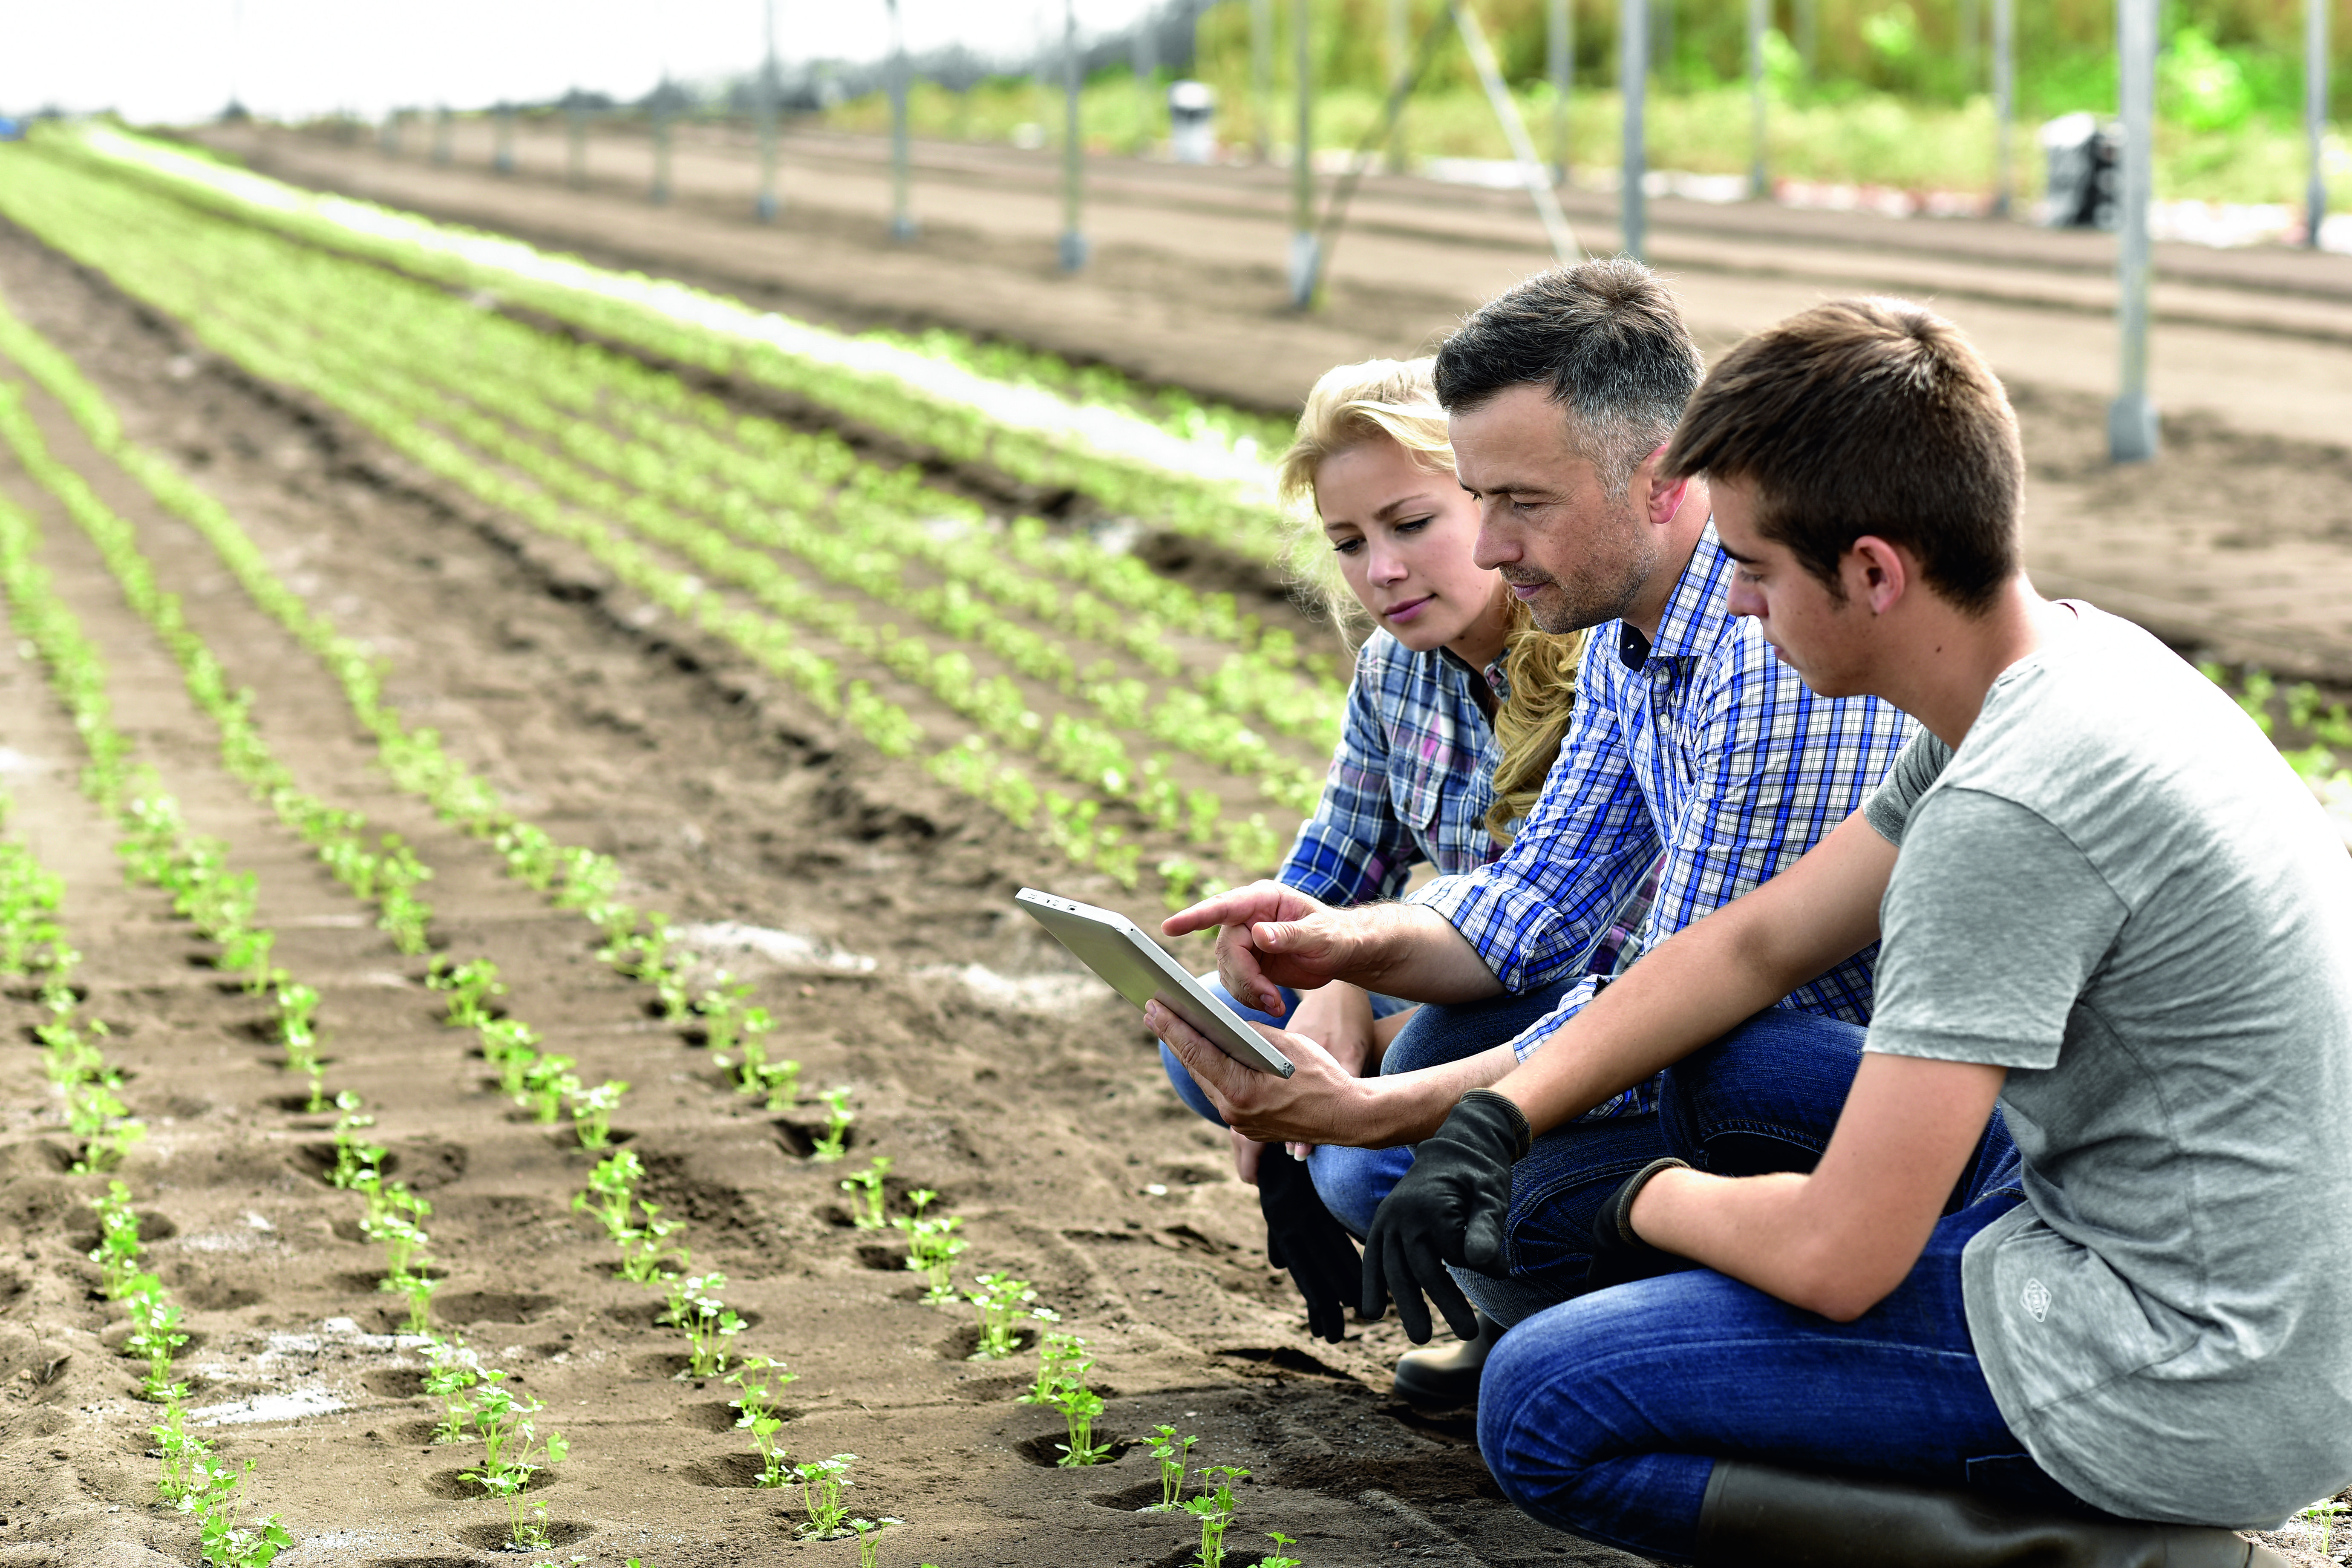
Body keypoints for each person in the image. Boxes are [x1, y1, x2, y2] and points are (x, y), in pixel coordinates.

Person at [1363, 297, 2350, 1566]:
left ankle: (2127, 1556)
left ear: (1875, 570)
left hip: (2192, 1366)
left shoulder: (2011, 810)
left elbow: (1838, 1258)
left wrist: (1629, 1206)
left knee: (1548, 1404)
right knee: (1732, 1063)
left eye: (1758, 571)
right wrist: (1504, 1115)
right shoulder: (2062, 673)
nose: (1731, 610)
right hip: (2242, 1274)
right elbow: (1757, 944)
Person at [1151, 259, 1933, 1404]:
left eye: (1514, 504)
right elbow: (1538, 901)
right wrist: (1340, 948)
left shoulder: (1762, 640)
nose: (1484, 549)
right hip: (1716, 1046)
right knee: (1411, 1112)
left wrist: (1404, 1114)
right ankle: (1589, 1324)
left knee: (1483, 1194)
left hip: (1854, 1083)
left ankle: (1746, 1357)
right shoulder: (1628, 625)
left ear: (1660, 479)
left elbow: (1685, 998)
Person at [1156, 356, 1617, 1347]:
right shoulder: (1393, 673)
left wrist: (1359, 1001)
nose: (1383, 571)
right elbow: (1326, 872)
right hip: (1462, 970)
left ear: (1493, 505)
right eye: (1350, 543)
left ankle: (1534, 1325)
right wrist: (1323, 972)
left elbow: (1573, 930)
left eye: (1412, 524)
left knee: (1361, 1157)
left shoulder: (1598, 657)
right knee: (1208, 1030)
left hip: (1589, 1013)